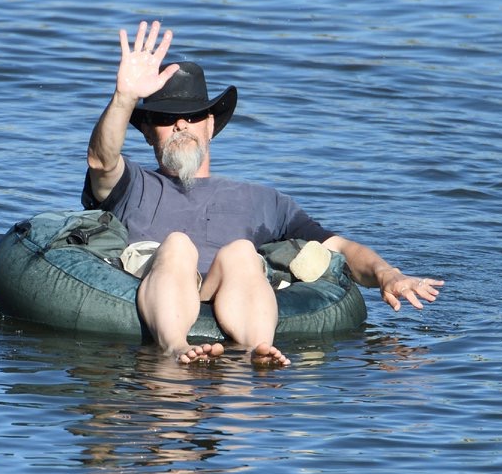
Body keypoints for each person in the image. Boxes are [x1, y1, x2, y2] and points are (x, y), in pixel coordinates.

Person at [85, 19, 444, 367]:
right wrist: (124, 98)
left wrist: (387, 274)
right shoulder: (131, 184)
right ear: (147, 132)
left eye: (193, 116)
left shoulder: (263, 201)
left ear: (210, 124)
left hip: (227, 290)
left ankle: (259, 349)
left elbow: (340, 248)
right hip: (158, 283)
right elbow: (102, 161)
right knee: (178, 244)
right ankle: (175, 348)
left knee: (242, 252)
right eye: (165, 118)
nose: (181, 123)